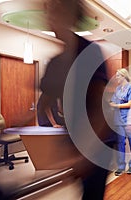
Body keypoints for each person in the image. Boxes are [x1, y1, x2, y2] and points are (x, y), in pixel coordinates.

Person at [43, 0, 115, 199]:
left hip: (100, 141)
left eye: (55, 12)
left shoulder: (89, 52)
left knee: (91, 194)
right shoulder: (55, 63)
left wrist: (85, 154)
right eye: (48, 12)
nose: (49, 17)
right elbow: (43, 103)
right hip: (77, 137)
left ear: (71, 16)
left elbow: (101, 110)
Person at [110, 69, 131, 176]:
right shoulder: (117, 89)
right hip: (119, 120)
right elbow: (112, 101)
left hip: (130, 120)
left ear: (123, 76)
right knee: (120, 144)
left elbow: (130, 104)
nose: (116, 77)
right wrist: (115, 104)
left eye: (118, 76)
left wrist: (116, 105)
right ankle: (121, 166)